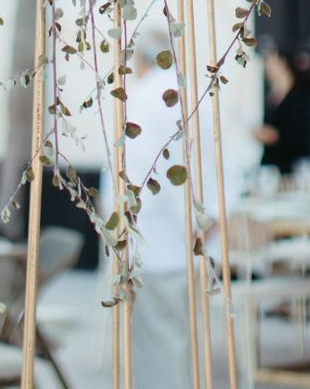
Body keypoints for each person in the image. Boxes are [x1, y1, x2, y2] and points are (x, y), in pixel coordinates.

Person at [117, 28, 197, 388]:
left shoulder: (142, 101)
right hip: (188, 242)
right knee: (181, 339)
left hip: (152, 240)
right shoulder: (193, 95)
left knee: (156, 349)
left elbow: (144, 174)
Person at [253, 47, 310, 176]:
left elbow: (297, 133)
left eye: (271, 61)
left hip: (291, 168)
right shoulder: (272, 95)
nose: (267, 66)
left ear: (282, 63)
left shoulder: (299, 96)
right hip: (272, 166)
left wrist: (272, 135)